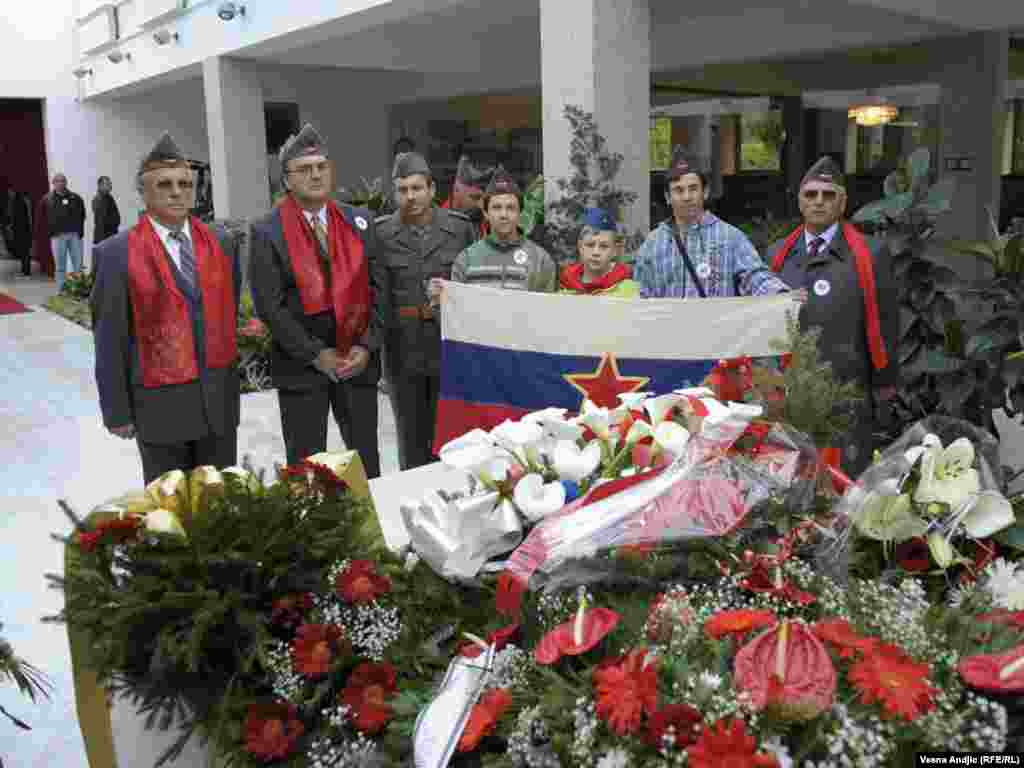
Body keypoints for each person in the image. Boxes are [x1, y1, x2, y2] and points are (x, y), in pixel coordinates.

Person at [91, 133, 242, 484]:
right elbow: (110, 338)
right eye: (164, 184)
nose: (177, 192)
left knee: (221, 504)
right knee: (169, 507)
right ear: (143, 192)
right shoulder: (115, 253)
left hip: (218, 405)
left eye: (185, 184)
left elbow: (228, 313)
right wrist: (117, 412)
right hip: (159, 410)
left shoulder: (222, 243)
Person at [249, 123, 385, 478]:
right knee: (306, 468)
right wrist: (315, 354)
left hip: (356, 363)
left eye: (322, 167)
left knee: (366, 463)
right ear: (287, 179)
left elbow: (380, 289)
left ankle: (372, 514)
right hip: (302, 369)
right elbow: (270, 306)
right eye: (305, 169)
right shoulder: (267, 230)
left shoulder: (359, 221)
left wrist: (366, 346)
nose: (315, 175)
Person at [767, 156, 900, 476]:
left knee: (844, 489)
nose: (819, 201)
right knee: (791, 488)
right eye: (811, 194)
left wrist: (885, 388)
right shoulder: (775, 256)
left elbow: (886, 327)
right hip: (790, 399)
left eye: (828, 195)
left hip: (848, 398)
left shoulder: (871, 254)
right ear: (799, 201)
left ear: (843, 202)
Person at [375, 152, 476, 470]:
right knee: (410, 441)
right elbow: (376, 295)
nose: (410, 196)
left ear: (432, 189)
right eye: (403, 190)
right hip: (402, 350)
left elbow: (471, 287)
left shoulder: (459, 229)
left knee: (453, 440)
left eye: (417, 188)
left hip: (448, 346)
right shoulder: (380, 234)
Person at [633, 150, 789, 299]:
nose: (687, 197)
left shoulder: (730, 238)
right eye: (679, 190)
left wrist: (784, 296)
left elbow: (756, 278)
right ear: (668, 197)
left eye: (693, 189)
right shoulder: (653, 244)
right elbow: (641, 296)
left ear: (705, 192)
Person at [451, 166, 557, 292]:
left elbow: (548, 303)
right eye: (496, 207)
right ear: (485, 213)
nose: (504, 215)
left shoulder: (541, 260)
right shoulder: (466, 260)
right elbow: (456, 302)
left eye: (510, 208)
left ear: (520, 213)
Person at [559, 207, 639, 297]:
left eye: (604, 246)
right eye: (590, 245)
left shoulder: (627, 288)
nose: (596, 252)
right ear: (580, 247)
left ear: (615, 251)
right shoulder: (568, 284)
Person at [46, 173, 87, 291]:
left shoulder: (76, 198)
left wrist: (79, 231)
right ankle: (61, 291)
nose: (61, 183)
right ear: (53, 183)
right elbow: (43, 218)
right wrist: (51, 232)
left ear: (66, 183)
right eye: (58, 181)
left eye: (63, 181)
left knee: (78, 266)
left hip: (74, 236)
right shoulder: (47, 199)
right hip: (57, 237)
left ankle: (80, 290)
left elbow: (82, 214)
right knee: (60, 267)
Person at [442, 155, 492, 238]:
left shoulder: (486, 221)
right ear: (456, 192)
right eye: (475, 198)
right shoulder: (439, 224)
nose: (481, 204)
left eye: (485, 199)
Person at [4, 185, 33, 277]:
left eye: (10, 192)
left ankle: (26, 272)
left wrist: (11, 227)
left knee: (24, 252)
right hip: (25, 231)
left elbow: (19, 219)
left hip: (22, 232)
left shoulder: (19, 202)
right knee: (24, 252)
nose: (9, 194)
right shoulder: (22, 201)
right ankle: (25, 271)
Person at [91, 175, 121, 247]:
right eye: (107, 184)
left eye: (110, 184)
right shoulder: (99, 199)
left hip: (111, 235)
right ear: (100, 185)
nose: (110, 186)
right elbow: (101, 221)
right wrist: (102, 241)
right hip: (104, 238)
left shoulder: (109, 197)